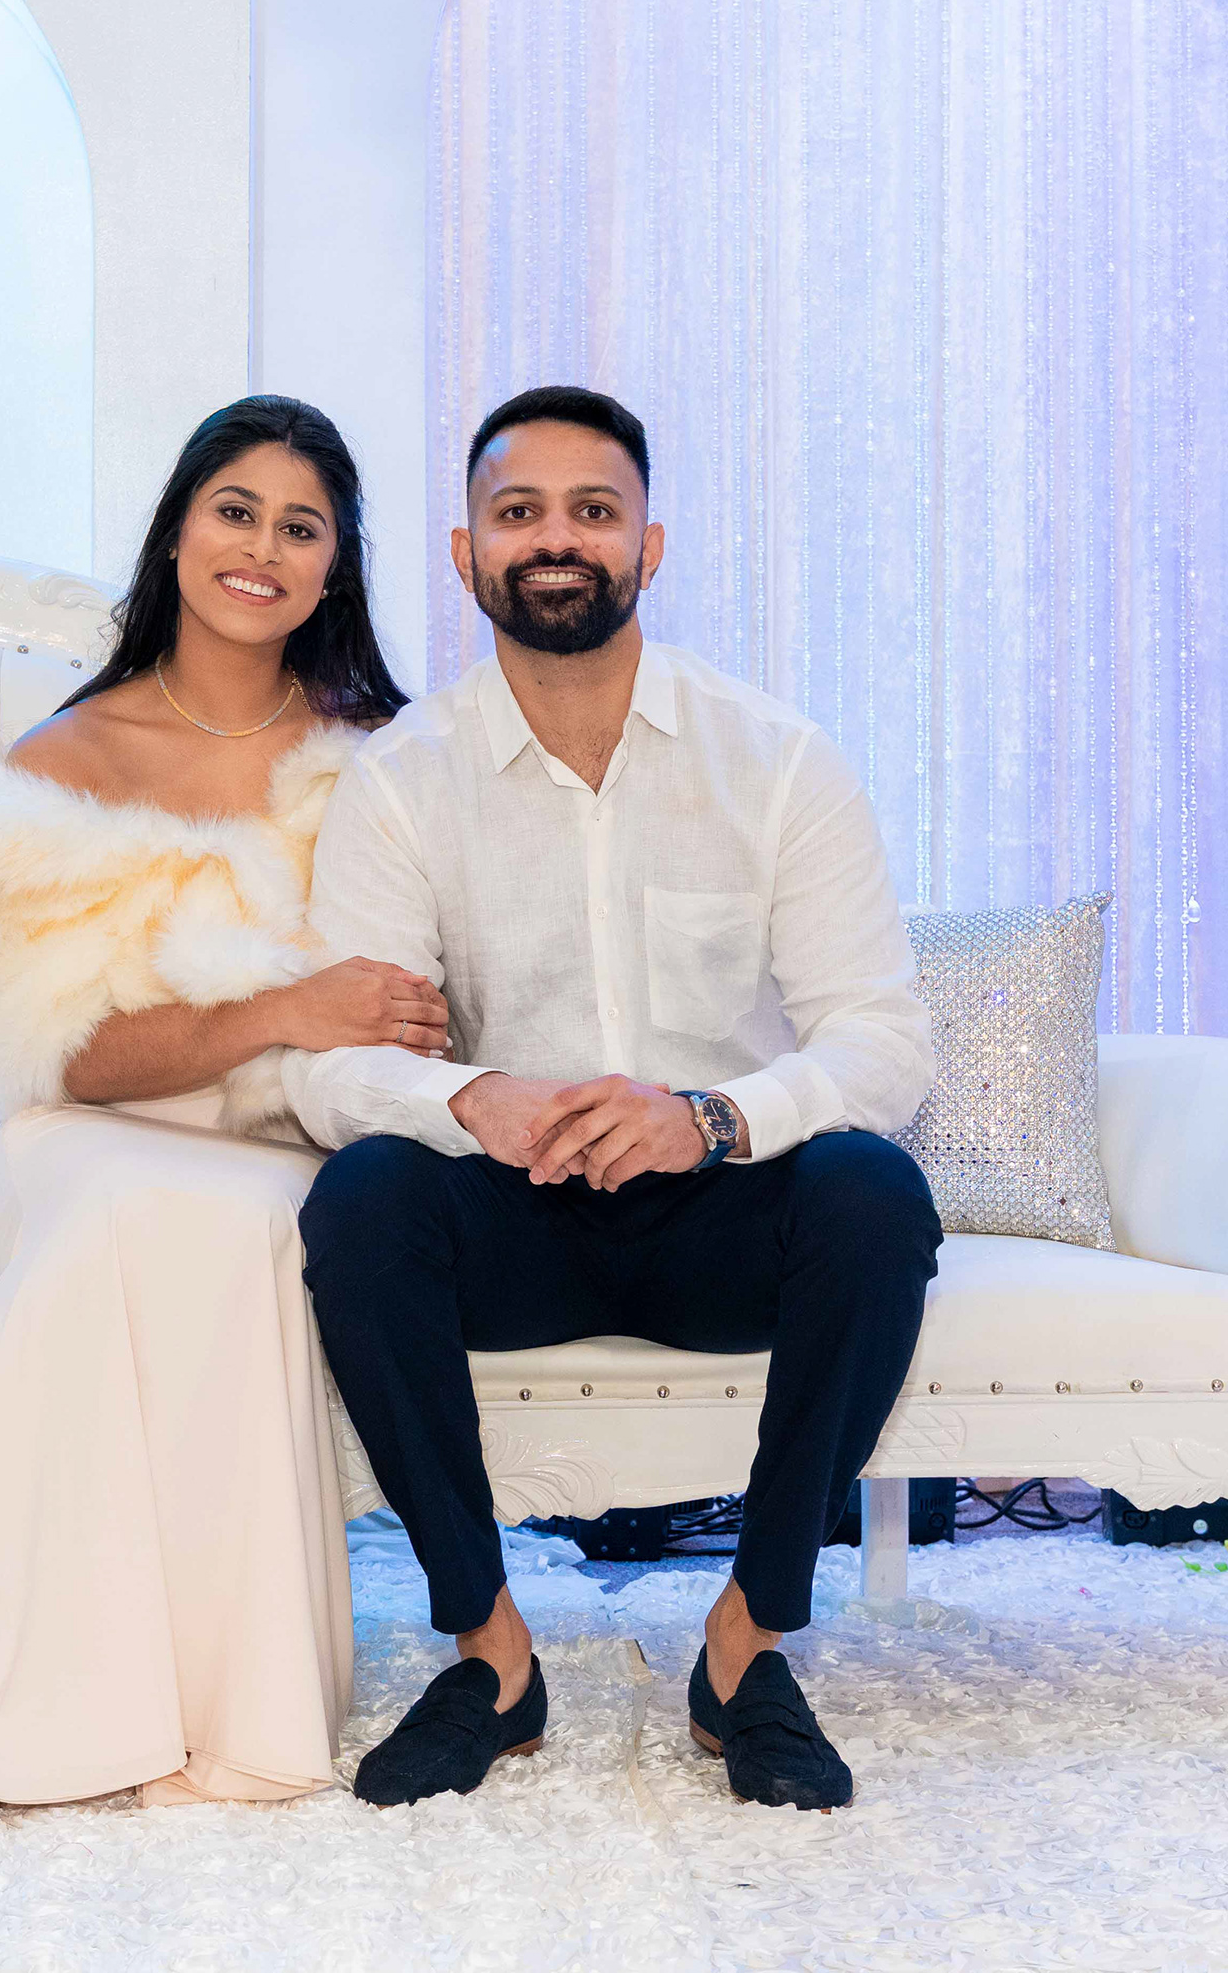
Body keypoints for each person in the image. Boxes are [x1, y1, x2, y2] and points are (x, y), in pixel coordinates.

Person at [0, 397, 445, 1840]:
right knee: (129, 1210)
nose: (262, 548)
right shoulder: (59, 764)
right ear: (177, 533)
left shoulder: (382, 762)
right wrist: (287, 1007)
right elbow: (68, 1057)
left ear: (334, 569)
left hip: (287, 1148)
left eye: (301, 527)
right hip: (82, 1142)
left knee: (234, 1226)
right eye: (235, 510)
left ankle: (191, 1707)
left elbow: (428, 999)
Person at [294, 383, 942, 1814]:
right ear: (464, 553)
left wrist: (707, 1119)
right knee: (363, 1197)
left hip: (720, 1216)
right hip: (512, 1217)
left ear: (650, 546)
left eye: (593, 511)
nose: (556, 539)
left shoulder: (778, 758)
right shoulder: (399, 783)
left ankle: (746, 1647)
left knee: (874, 1194)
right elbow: (329, 1066)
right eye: (517, 511)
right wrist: (479, 1099)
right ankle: (491, 1656)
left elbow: (884, 1040)